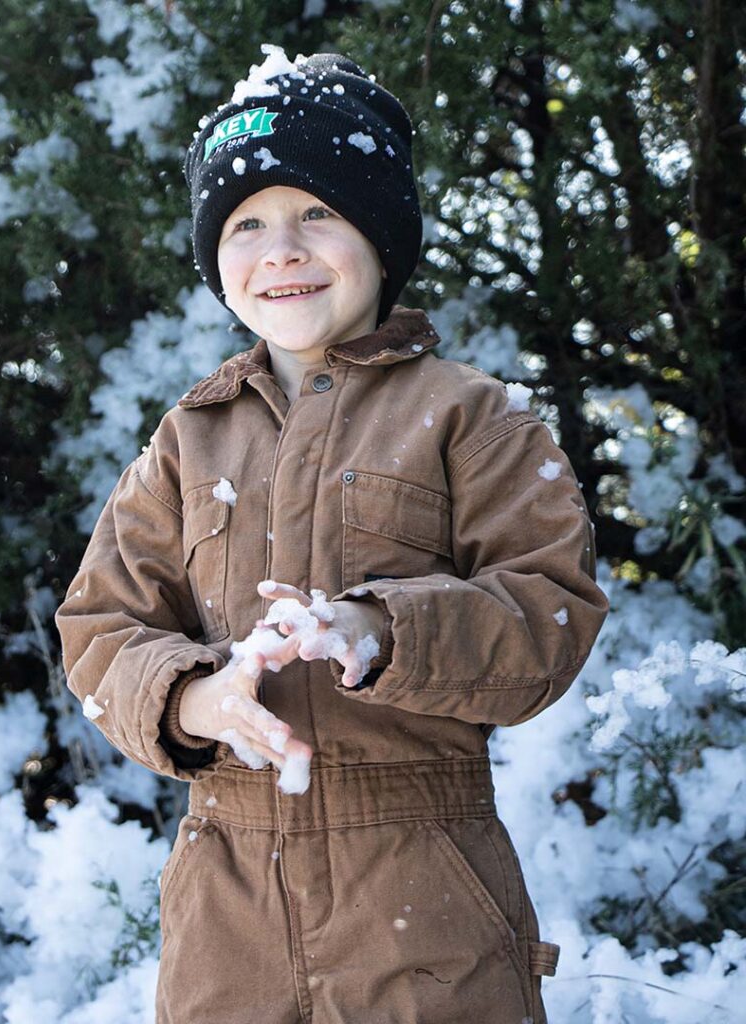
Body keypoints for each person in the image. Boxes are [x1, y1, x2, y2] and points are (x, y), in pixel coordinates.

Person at [55, 46, 609, 1024]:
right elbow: (101, 628)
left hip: (424, 897)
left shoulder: (473, 418)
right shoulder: (188, 439)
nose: (282, 248)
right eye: (246, 222)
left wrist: (378, 630)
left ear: (382, 235)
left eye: (318, 211)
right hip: (226, 908)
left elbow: (545, 614)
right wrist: (197, 698)